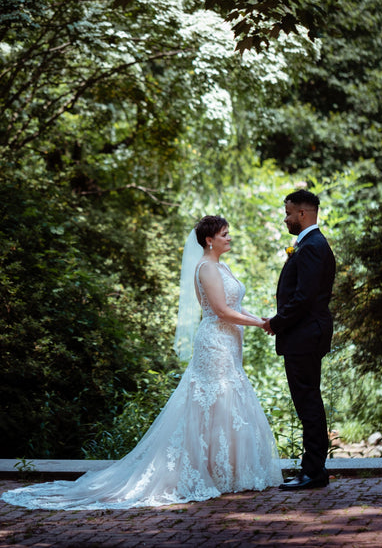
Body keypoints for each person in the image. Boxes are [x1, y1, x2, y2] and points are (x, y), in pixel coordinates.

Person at [2, 215, 282, 510]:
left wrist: (262, 319)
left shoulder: (222, 266)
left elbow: (235, 306)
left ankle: (225, 471)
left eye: (229, 233)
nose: (230, 237)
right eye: (225, 234)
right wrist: (260, 325)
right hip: (215, 344)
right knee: (211, 401)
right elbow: (222, 311)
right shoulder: (207, 269)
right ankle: (203, 471)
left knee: (226, 402)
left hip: (229, 344)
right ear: (209, 240)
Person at [263, 190, 336, 490]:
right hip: (307, 333)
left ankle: (314, 472)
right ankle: (314, 470)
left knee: (308, 402)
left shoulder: (311, 247)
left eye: (289, 212)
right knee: (309, 401)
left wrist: (276, 323)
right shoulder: (311, 244)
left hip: (304, 334)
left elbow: (303, 298)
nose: (285, 218)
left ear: (303, 214)